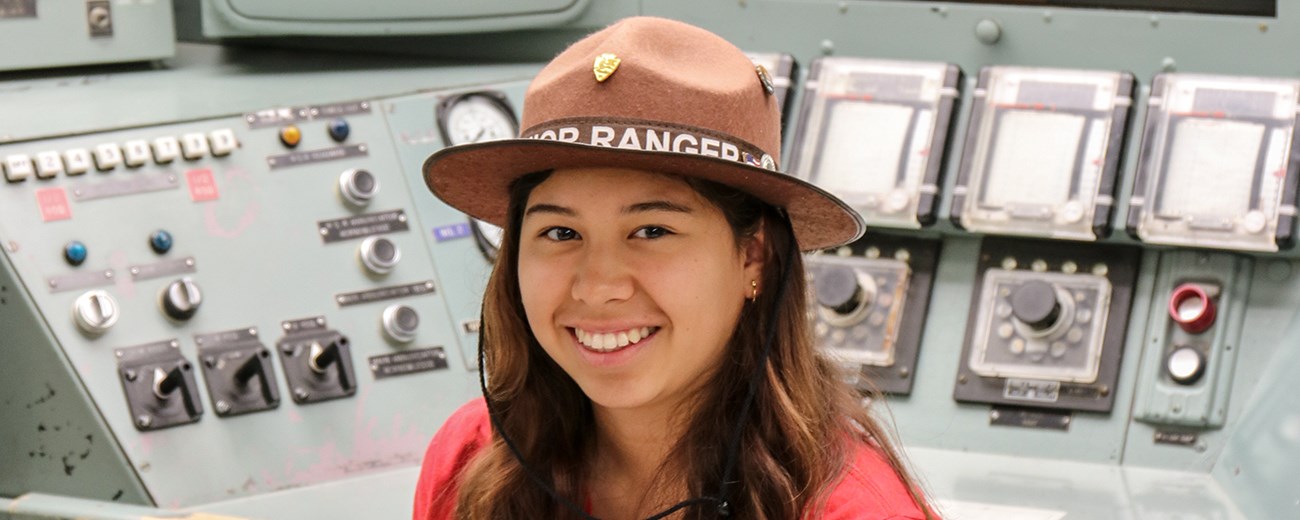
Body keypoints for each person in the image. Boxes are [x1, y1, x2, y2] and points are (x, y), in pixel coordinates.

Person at [414, 16, 934, 520]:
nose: (598, 287)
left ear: (754, 256)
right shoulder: (472, 457)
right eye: (560, 233)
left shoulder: (858, 511)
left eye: (652, 232)